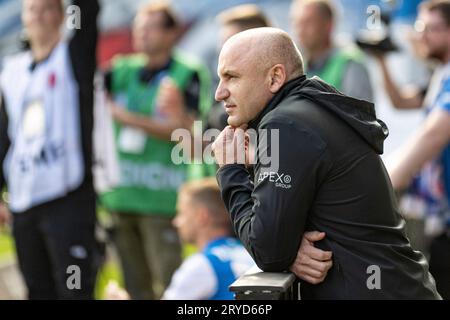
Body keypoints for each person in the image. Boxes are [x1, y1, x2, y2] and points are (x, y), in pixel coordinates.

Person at [212, 27, 441, 299]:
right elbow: (298, 228)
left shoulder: (286, 123)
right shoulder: (311, 107)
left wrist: (230, 169)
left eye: (232, 77)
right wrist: (288, 247)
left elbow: (268, 251)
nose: (219, 93)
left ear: (275, 77)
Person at [100, 2, 212, 300]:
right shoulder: (120, 69)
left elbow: (187, 135)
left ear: (171, 32)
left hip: (162, 199)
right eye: (138, 27)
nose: (142, 34)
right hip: (121, 195)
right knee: (134, 287)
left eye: (150, 27)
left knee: (171, 286)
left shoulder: (187, 73)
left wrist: (126, 118)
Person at [0, 0, 100, 299]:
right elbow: (5, 134)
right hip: (25, 199)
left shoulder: (72, 57)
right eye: (33, 9)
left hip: (67, 196)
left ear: (62, 15)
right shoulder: (12, 70)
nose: (40, 16)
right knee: (37, 290)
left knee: (74, 289)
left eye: (48, 9)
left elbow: (88, 13)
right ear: (24, 18)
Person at [387, 0, 450, 299]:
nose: (421, 35)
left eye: (430, 28)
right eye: (419, 27)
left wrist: (381, 181)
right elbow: (401, 101)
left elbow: (433, 134)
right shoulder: (439, 75)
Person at [162, 177, 254, 300]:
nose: (176, 222)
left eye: (181, 213)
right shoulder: (252, 254)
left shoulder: (201, 265)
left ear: (202, 217)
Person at [290, 0, 373, 101]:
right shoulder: (296, 62)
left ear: (328, 25)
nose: (300, 30)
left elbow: (359, 114)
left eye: (308, 22)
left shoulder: (351, 63)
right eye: (297, 23)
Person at [208, 4, 272, 131]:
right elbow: (205, 147)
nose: (221, 49)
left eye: (229, 42)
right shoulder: (221, 91)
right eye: (222, 43)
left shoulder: (277, 114)